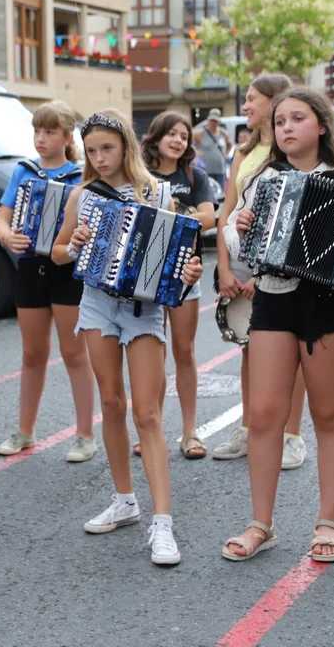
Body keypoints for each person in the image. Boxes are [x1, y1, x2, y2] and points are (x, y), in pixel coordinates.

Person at [218, 86, 334, 563]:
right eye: (279, 121)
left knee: (329, 414)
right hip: (273, 302)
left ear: (322, 126)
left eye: (297, 118)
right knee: (263, 415)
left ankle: (329, 521)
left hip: (328, 307)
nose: (286, 128)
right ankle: (261, 523)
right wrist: (241, 229)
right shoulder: (263, 179)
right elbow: (234, 236)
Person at [53, 109, 202, 566]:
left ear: (127, 147)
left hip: (144, 309)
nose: (99, 158)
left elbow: (180, 256)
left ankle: (163, 523)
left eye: (108, 148)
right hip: (97, 304)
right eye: (91, 150)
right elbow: (57, 253)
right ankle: (124, 501)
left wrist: (189, 273)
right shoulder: (82, 194)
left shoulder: (158, 192)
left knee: (148, 413)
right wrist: (74, 245)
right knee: (112, 403)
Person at [211, 74, 309, 470]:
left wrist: (263, 274)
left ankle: (291, 435)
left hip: (277, 268)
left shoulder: (291, 151)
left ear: (275, 100)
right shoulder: (243, 152)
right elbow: (228, 211)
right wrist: (223, 267)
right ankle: (248, 427)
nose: (246, 106)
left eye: (253, 99)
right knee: (249, 349)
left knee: (292, 352)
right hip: (239, 259)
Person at [0, 101, 98, 462]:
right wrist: (7, 237)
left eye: (50, 132)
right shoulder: (23, 171)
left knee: (73, 352)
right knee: (32, 352)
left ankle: (85, 435)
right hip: (29, 267)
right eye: (37, 131)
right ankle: (25, 431)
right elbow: (2, 218)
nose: (41, 138)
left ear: (68, 137)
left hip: (67, 269)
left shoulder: (81, 176)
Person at [139, 112, 217, 460]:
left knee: (183, 351)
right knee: (153, 352)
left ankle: (190, 432)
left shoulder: (194, 176)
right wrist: (183, 219)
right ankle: (150, 429)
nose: (177, 141)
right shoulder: (141, 175)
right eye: (171, 133)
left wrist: (170, 217)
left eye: (183, 136)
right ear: (156, 137)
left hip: (186, 271)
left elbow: (209, 217)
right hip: (147, 272)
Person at [193, 108, 232, 190]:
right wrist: (195, 156)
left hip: (220, 169)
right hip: (205, 170)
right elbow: (190, 144)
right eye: (212, 120)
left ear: (219, 122)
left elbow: (229, 144)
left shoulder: (223, 133)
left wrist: (226, 154)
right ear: (208, 120)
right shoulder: (200, 133)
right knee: (206, 191)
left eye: (215, 121)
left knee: (220, 191)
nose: (213, 123)